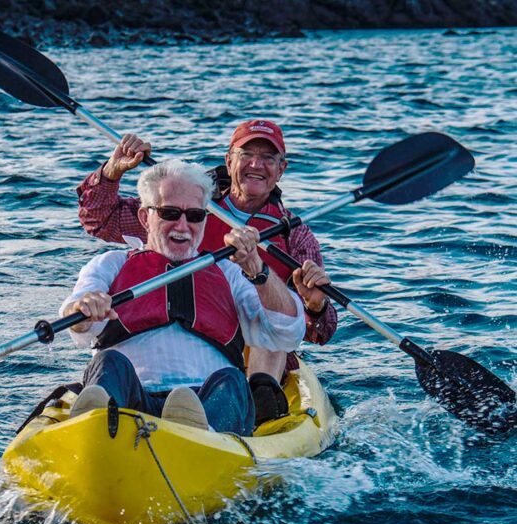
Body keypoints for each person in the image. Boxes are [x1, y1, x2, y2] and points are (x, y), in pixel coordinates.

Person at [76, 120, 337, 422]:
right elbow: (98, 219)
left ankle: (246, 402)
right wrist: (112, 171)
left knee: (253, 349)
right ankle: (103, 416)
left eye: (268, 158)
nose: (256, 164)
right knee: (110, 360)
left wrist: (315, 306)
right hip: (156, 347)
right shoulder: (185, 206)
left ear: (281, 169)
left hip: (247, 351)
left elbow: (317, 330)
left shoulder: (295, 236)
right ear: (229, 160)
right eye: (246, 154)